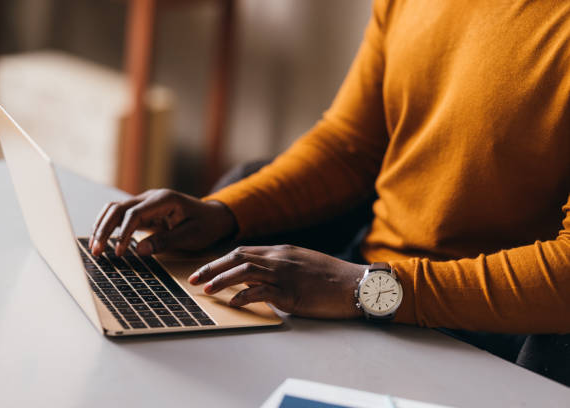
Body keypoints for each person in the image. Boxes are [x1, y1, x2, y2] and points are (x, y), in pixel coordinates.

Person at [90, 1, 570, 385]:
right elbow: (349, 147)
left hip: (490, 336)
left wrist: (366, 289)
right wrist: (223, 211)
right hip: (358, 283)